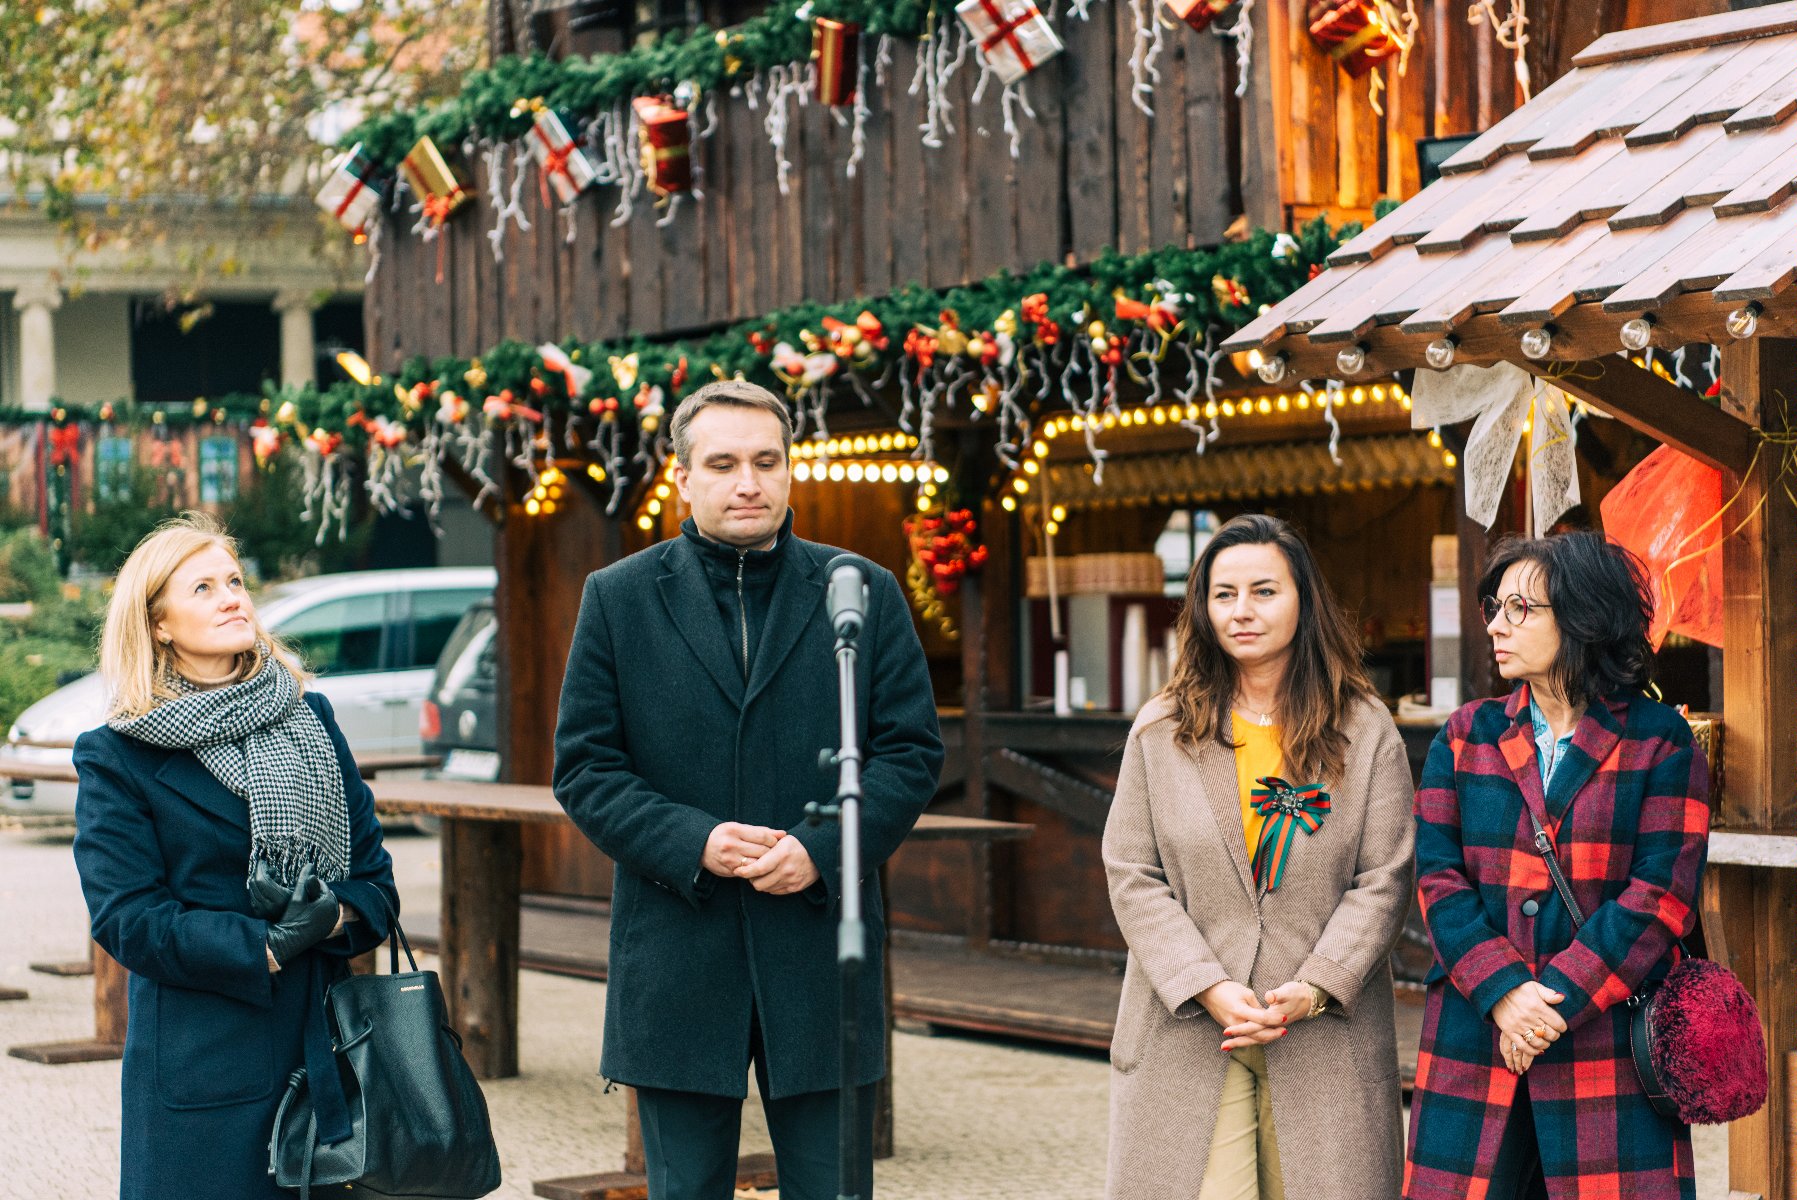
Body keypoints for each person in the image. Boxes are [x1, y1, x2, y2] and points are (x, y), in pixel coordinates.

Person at [552, 379, 943, 1200]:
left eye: (766, 461)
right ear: (682, 475)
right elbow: (585, 766)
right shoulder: (617, 598)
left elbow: (909, 752)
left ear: (790, 470)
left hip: (817, 947)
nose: (748, 482)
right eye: (723, 463)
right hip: (678, 947)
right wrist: (692, 840)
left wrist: (826, 850)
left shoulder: (859, 589)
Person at [71, 515, 399, 1200]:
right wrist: (266, 945)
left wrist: (331, 915)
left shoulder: (313, 720)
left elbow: (376, 884)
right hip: (204, 1071)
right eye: (203, 588)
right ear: (158, 624)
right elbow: (127, 918)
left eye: (236, 582)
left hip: (326, 1056)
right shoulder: (118, 754)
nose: (232, 599)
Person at [1103, 513, 1415, 1200]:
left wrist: (1314, 986)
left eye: (1263, 591)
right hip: (1189, 1023)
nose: (1240, 611)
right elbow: (1132, 871)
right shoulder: (1163, 728)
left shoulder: (1362, 729)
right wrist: (1204, 984)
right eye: (1222, 594)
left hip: (1320, 1029)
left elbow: (1384, 877)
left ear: (1303, 600)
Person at [1405, 532, 1710, 1200]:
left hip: (1603, 1043)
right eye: (1495, 606)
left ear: (1580, 617)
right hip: (1477, 1031)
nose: (1495, 624)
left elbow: (1658, 898)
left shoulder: (1660, 739)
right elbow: (1437, 881)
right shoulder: (1464, 736)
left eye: (1519, 608)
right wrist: (1505, 994)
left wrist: (1547, 1008)